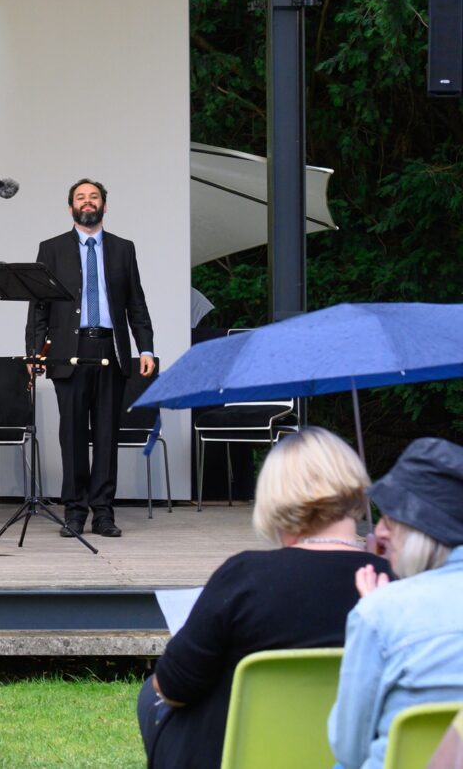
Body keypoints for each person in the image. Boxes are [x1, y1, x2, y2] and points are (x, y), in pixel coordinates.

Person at [136, 427, 390, 769]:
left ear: (275, 497)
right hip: (358, 756)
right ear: (355, 489)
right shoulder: (394, 584)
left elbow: (171, 687)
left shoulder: (244, 577)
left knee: (150, 695)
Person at [25, 178, 155, 538]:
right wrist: (34, 352)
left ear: (104, 205)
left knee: (107, 434)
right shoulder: (51, 249)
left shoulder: (123, 248)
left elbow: (136, 303)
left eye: (93, 197)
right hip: (68, 351)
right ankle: (74, 512)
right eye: (80, 197)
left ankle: (103, 513)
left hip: (110, 349)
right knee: (72, 436)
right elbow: (39, 307)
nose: (87, 202)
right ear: (71, 207)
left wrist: (146, 347)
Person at [329, 437, 463, 769]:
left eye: (390, 519)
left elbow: (349, 750)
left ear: (423, 529)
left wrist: (380, 612)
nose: (379, 532)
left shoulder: (380, 612)